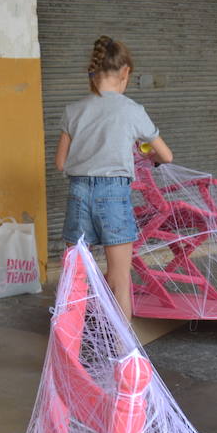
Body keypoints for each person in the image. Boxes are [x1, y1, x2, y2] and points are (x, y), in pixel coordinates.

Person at [54, 36, 173, 320]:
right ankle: (123, 353)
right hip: (114, 196)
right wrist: (146, 157)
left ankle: (69, 347)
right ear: (125, 73)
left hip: (79, 194)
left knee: (75, 277)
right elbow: (166, 156)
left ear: (93, 73)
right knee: (120, 278)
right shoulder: (132, 111)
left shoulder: (74, 110)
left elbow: (61, 163)